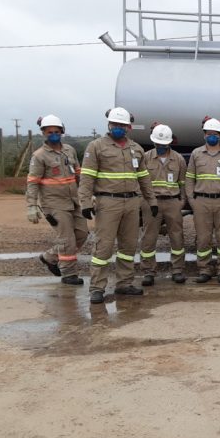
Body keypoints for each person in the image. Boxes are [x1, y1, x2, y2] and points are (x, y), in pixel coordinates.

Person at [79, 107, 156, 304]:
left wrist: (151, 200)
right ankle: (97, 288)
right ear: (109, 125)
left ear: (128, 127)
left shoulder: (136, 149)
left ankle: (124, 283)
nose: (118, 128)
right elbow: (87, 177)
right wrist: (85, 202)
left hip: (132, 202)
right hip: (108, 202)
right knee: (103, 247)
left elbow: (144, 178)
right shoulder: (96, 147)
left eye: (122, 125)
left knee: (128, 246)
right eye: (115, 125)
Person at [25, 114, 88, 285]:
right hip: (54, 204)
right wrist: (31, 205)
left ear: (62, 132)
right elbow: (32, 181)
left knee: (82, 233)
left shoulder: (69, 150)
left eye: (57, 131)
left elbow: (78, 174)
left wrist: (88, 195)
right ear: (43, 133)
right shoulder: (39, 156)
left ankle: (50, 257)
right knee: (66, 239)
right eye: (49, 131)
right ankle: (68, 273)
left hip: (73, 201)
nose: (53, 134)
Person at [184, 117, 220, 284]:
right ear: (204, 134)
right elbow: (189, 179)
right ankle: (205, 269)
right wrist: (192, 200)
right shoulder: (196, 154)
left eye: (215, 134)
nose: (212, 136)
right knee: (203, 238)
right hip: (201, 201)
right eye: (209, 133)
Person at [139, 123, 188, 286]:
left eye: (163, 144)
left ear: (169, 143)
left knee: (177, 237)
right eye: (158, 144)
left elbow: (183, 183)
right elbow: (140, 181)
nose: (160, 146)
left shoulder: (179, 159)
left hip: (173, 201)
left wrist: (181, 202)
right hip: (151, 202)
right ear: (153, 142)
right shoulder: (145, 157)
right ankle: (148, 272)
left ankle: (178, 270)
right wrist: (144, 201)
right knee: (148, 237)